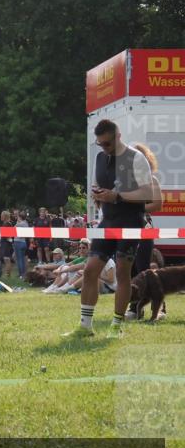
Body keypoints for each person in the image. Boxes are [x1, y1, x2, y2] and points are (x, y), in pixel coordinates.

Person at [65, 119, 155, 338]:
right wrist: (98, 196)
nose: (104, 148)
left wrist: (117, 196)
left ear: (118, 136)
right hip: (108, 222)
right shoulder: (99, 158)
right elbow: (100, 186)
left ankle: (116, 325)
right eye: (100, 144)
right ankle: (85, 326)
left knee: (123, 273)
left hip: (131, 223)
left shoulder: (136, 158)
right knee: (89, 271)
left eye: (107, 143)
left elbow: (147, 194)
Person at [130, 142, 163, 279]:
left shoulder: (152, 180)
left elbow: (157, 204)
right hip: (125, 225)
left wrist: (136, 208)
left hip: (144, 226)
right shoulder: (124, 181)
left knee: (142, 265)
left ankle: (145, 295)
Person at [13, 210, 29, 278]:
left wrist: (17, 222)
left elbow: (13, 229)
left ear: (20, 217)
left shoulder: (19, 224)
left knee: (19, 259)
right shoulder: (26, 223)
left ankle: (21, 274)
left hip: (18, 242)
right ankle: (24, 274)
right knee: (22, 259)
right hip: (24, 242)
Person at [0, 211, 14, 278]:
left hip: (7, 243)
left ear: (5, 216)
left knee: (7, 259)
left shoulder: (7, 224)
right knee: (5, 259)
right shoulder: (5, 223)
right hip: (4, 243)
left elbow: (9, 235)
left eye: (2, 215)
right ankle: (7, 274)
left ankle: (8, 275)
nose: (1, 216)